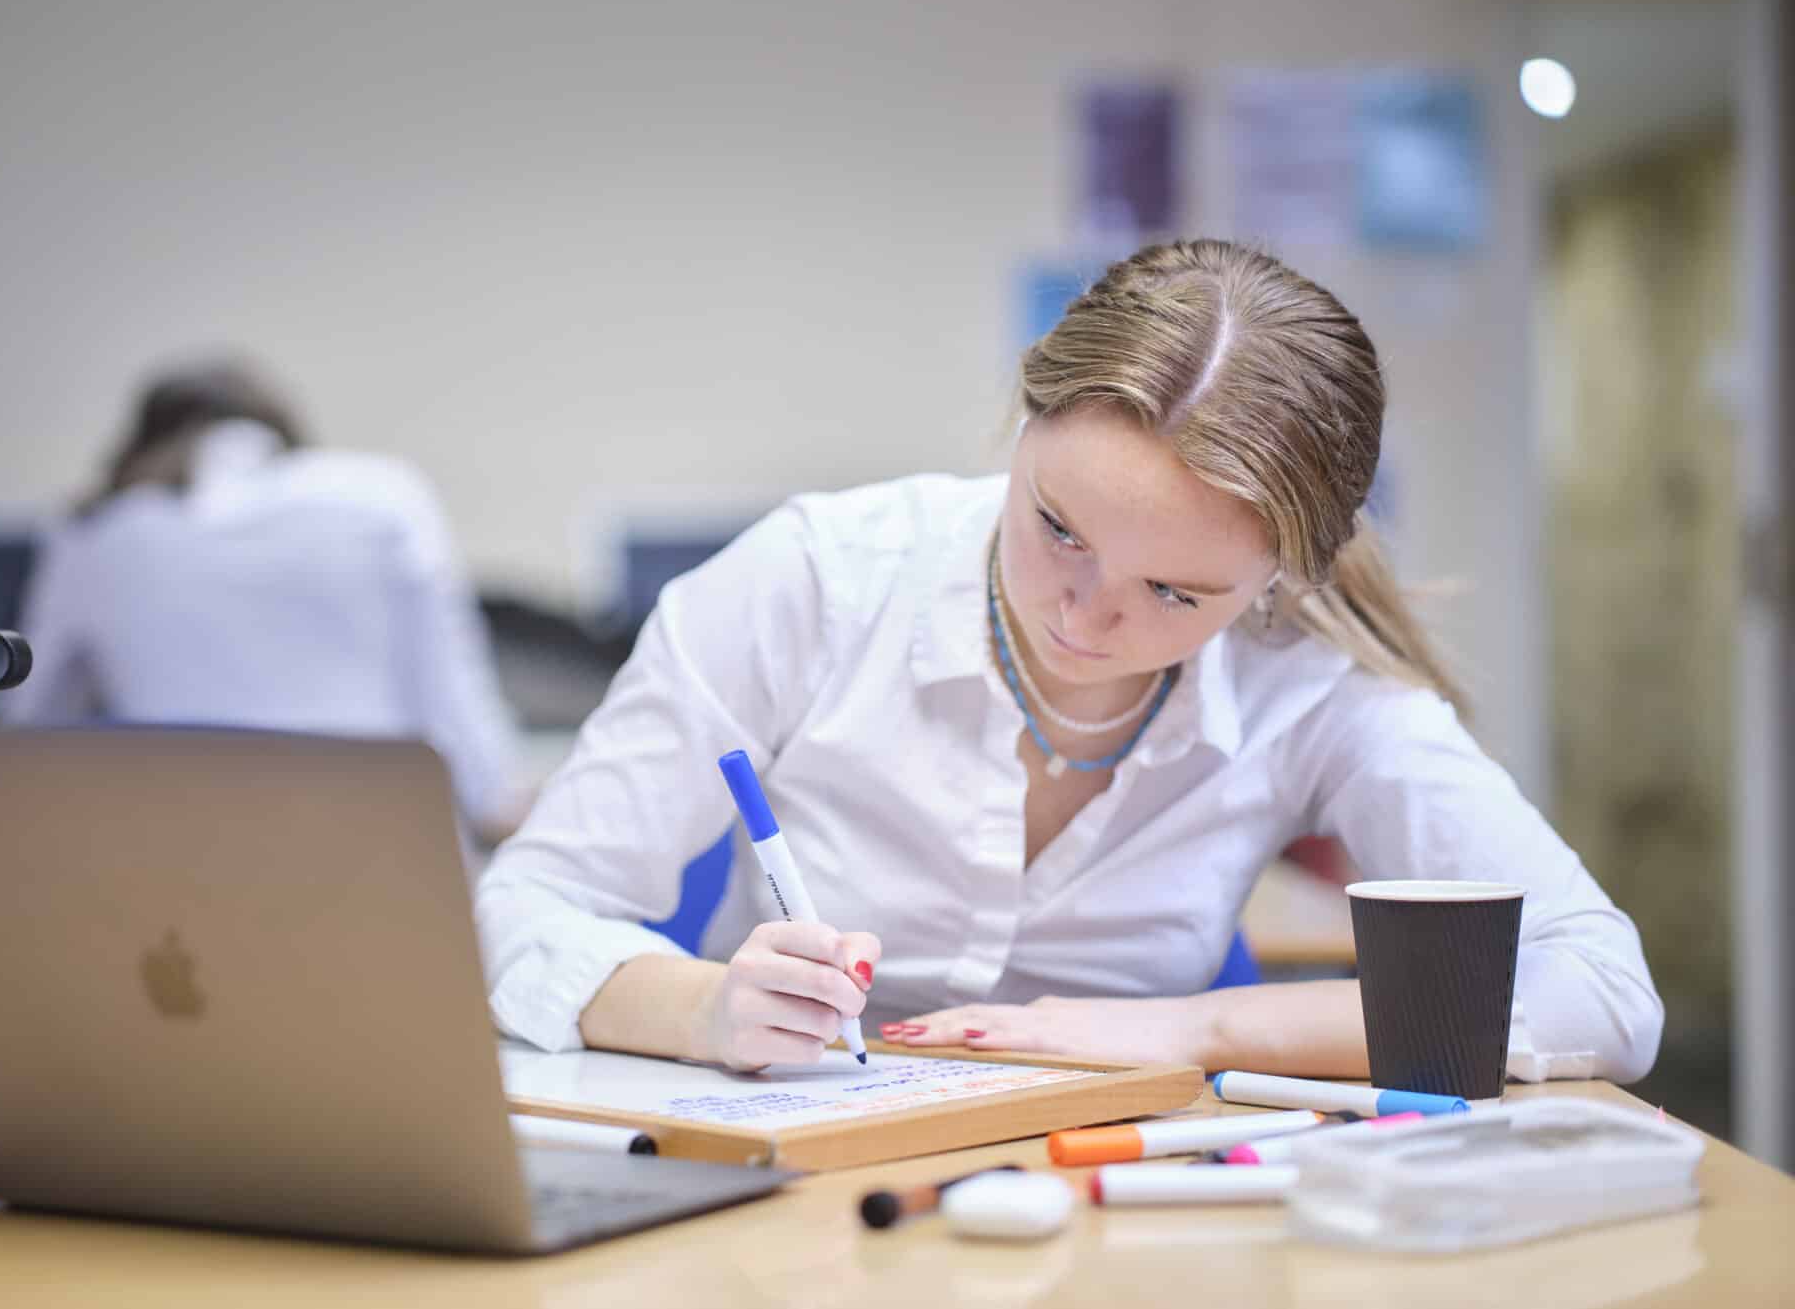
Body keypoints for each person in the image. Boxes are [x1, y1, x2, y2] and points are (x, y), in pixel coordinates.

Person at [474, 240, 1663, 1081]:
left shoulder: (1310, 680)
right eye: (1056, 529)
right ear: (1021, 424)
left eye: (1173, 592)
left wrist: (1198, 1032)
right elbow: (521, 909)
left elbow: (1599, 990)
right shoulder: (815, 580)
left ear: (1273, 584)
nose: (1087, 619)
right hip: (796, 1178)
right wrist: (707, 1007)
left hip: (1132, 1194)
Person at [4, 360, 529, 834]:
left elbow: (30, 729)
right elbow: (453, 700)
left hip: (178, 857)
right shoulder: (384, 497)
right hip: (382, 842)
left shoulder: (94, 530)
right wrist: (499, 802)